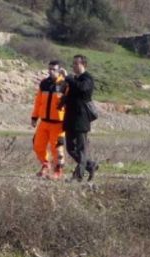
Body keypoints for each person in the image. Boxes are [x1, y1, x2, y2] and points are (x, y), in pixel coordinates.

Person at [60, 54, 96, 182]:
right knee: (70, 148)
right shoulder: (74, 79)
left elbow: (82, 89)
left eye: (77, 63)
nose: (74, 66)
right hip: (70, 118)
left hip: (81, 119)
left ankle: (78, 176)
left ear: (83, 65)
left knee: (81, 149)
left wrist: (68, 78)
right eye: (73, 63)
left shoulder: (87, 78)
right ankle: (90, 165)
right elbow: (69, 93)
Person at [32, 60, 66, 180]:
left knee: (56, 148)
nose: (51, 71)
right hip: (44, 122)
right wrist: (34, 116)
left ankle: (58, 170)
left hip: (58, 123)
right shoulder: (44, 83)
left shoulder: (65, 84)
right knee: (37, 146)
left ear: (59, 70)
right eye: (49, 69)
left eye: (53, 69)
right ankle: (45, 165)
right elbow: (38, 101)